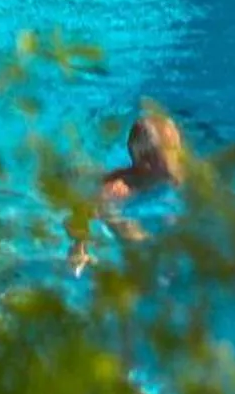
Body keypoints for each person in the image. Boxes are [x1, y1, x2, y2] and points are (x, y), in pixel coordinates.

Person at [68, 109, 187, 272]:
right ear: (147, 165)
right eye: (172, 152)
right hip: (87, 186)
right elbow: (87, 210)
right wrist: (79, 248)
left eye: (178, 149)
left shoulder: (170, 174)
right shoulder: (120, 188)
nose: (179, 157)